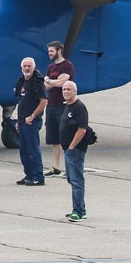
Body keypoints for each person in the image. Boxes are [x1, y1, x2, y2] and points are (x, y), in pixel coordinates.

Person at [59, 81, 90, 222]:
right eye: (64, 89)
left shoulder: (79, 107)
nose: (65, 92)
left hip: (75, 150)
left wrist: (72, 147)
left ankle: (77, 211)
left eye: (68, 89)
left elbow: (82, 129)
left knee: (76, 180)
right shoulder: (67, 106)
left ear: (75, 91)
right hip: (67, 149)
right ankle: (80, 208)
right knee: (71, 179)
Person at [43, 40, 75, 178]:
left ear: (59, 50)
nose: (49, 53)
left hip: (63, 105)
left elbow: (63, 83)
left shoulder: (67, 66)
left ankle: (70, 168)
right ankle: (56, 167)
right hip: (51, 105)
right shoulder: (50, 67)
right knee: (54, 138)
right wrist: (52, 81)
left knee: (65, 136)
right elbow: (46, 85)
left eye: (51, 51)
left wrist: (50, 81)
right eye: (49, 51)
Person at [14, 58, 47, 186]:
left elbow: (44, 101)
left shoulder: (37, 82)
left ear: (33, 67)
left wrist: (32, 116)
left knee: (33, 150)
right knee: (24, 150)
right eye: (25, 66)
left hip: (31, 122)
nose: (27, 68)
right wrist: (19, 121)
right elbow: (20, 101)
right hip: (22, 121)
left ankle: (38, 177)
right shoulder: (22, 80)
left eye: (29, 66)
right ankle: (29, 174)